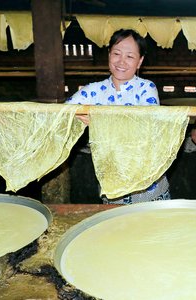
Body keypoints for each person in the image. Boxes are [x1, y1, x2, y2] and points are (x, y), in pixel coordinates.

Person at [66, 29, 170, 204]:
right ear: (109, 55)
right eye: (116, 54)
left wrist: (99, 123)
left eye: (130, 56)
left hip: (148, 181)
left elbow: (146, 128)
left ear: (140, 62)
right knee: (117, 227)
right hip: (112, 181)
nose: (121, 61)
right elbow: (62, 113)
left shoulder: (146, 88)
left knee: (153, 228)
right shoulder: (93, 90)